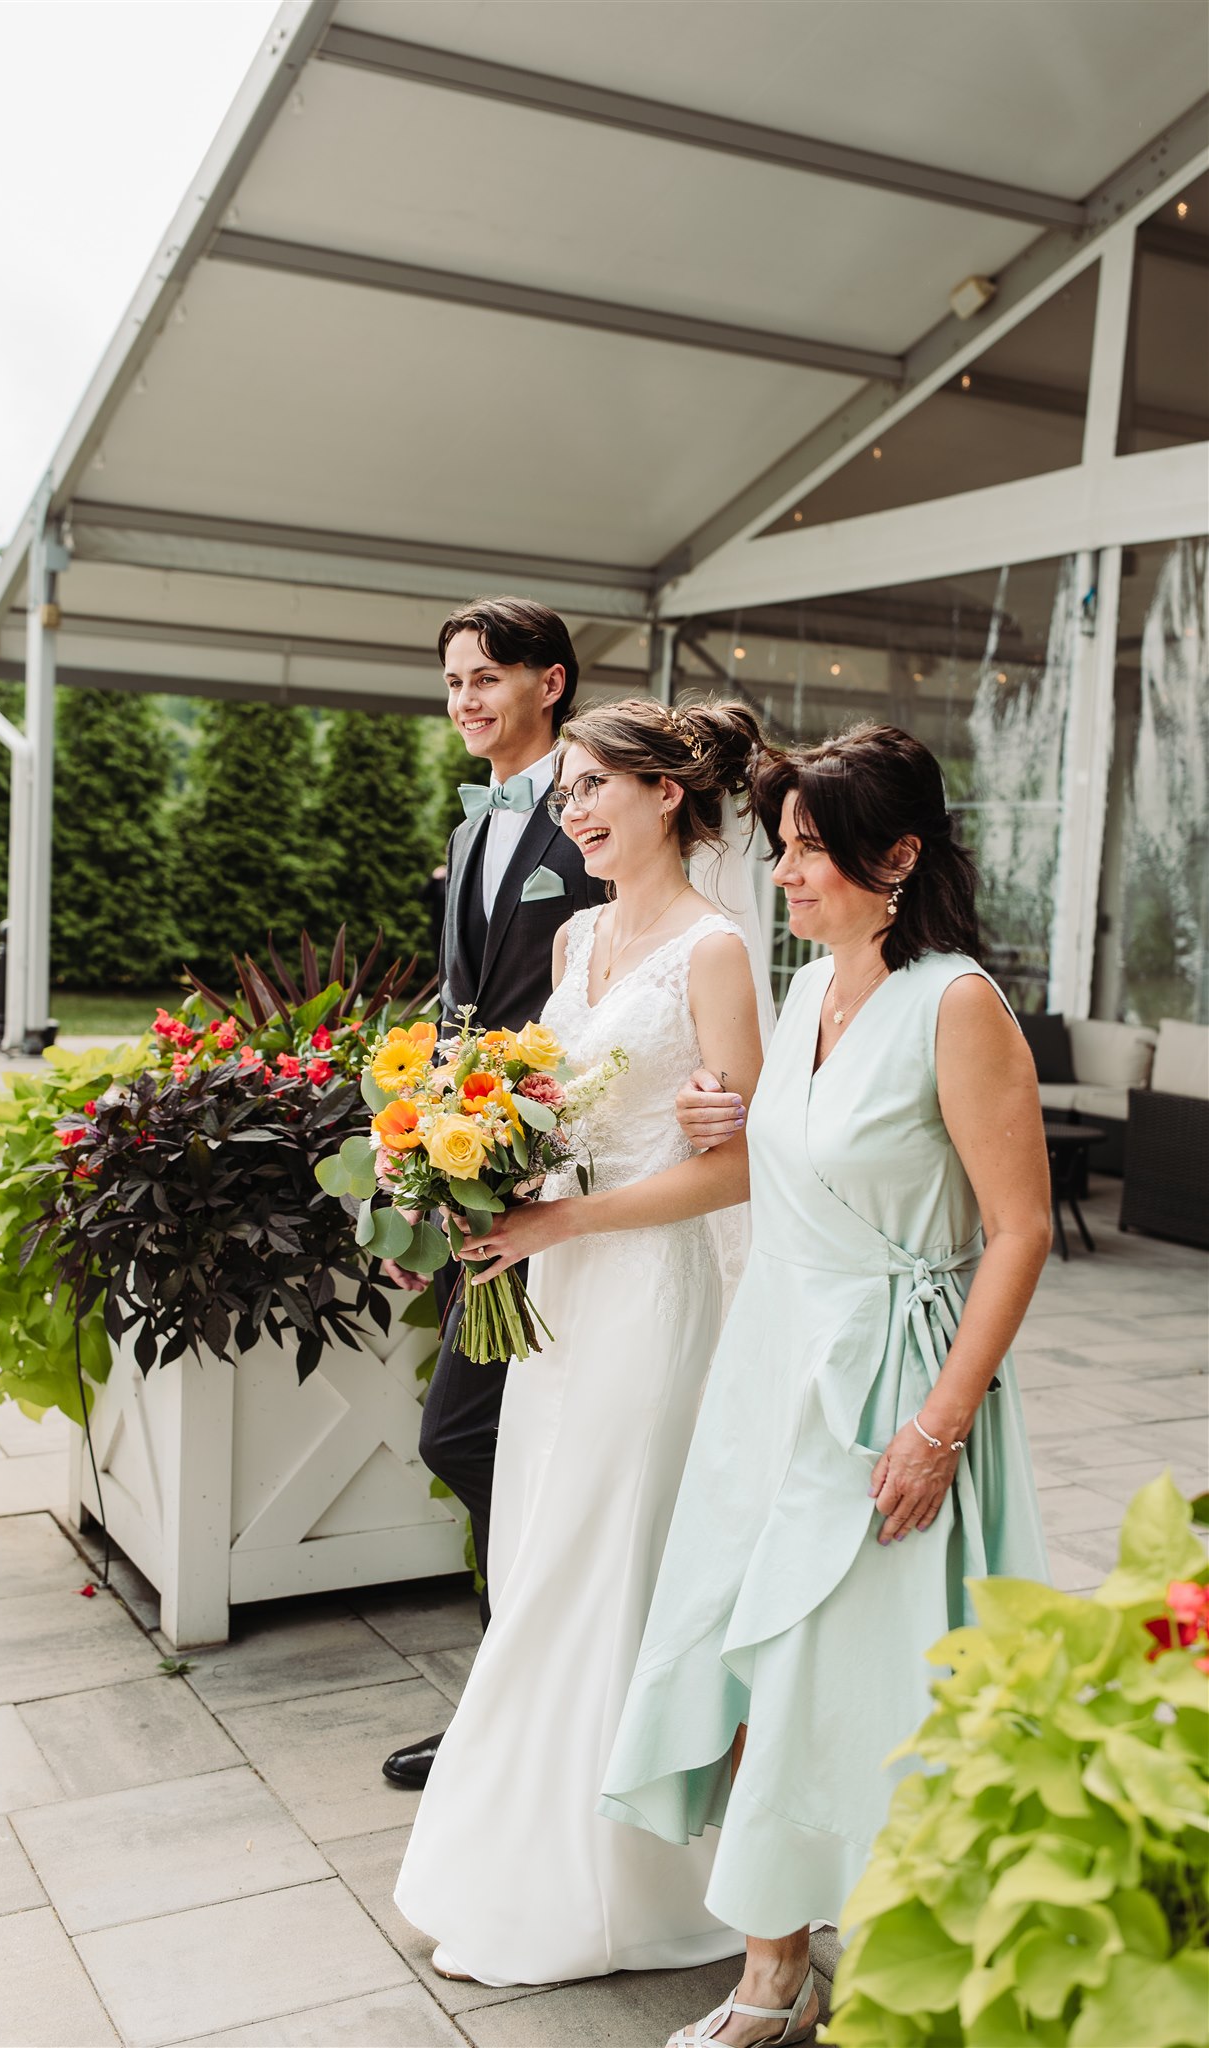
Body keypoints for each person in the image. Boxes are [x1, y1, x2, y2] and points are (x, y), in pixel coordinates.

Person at [600, 723, 1052, 2048]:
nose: (784, 876)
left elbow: (1014, 1232)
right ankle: (780, 1961)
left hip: (893, 1388)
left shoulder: (955, 1003)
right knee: (753, 1667)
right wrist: (735, 1128)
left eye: (809, 852)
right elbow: (814, 1150)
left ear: (897, 854)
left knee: (842, 1681)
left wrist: (934, 1429)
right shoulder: (805, 996)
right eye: (783, 847)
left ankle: (796, 1974)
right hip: (772, 1374)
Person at [394, 696, 775, 1989]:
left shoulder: (715, 950)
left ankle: (615, 1895)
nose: (574, 816)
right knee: (533, 1555)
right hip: (553, 1302)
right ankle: (523, 1867)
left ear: (666, 793)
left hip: (647, 1296)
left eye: (592, 790)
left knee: (598, 1569)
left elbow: (735, 1175)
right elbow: (545, 1112)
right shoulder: (567, 945)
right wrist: (468, 1178)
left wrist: (569, 1216)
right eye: (563, 800)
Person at [382, 597, 607, 1792]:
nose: (464, 699)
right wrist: (420, 1158)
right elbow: (462, 1005)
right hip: (489, 1172)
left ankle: (531, 1703)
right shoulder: (473, 831)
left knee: (475, 1433)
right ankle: (514, 1702)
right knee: (478, 1437)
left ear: (550, 681)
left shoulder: (603, 808)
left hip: (586, 1183)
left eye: (485, 677)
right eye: (453, 681)